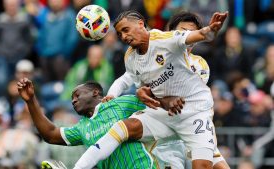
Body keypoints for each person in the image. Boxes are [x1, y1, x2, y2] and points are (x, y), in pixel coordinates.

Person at [74, 10, 229, 169]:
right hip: (164, 113)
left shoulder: (166, 40)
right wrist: (138, 93)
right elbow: (142, 87)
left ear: (141, 24)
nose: (124, 37)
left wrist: (212, 30)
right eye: (120, 34)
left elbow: (204, 35)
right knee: (122, 128)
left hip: (194, 111)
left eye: (126, 30)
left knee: (205, 164)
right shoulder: (130, 58)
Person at [17, 78, 184, 169]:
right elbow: (51, 134)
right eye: (71, 98)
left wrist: (172, 101)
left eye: (77, 95)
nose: (73, 100)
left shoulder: (121, 103)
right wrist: (31, 101)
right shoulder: (82, 127)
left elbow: (155, 102)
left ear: (95, 92)